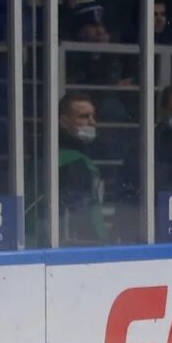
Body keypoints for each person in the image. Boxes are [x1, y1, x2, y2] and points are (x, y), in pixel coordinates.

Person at [57, 92, 107, 244]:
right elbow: (82, 214)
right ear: (64, 122)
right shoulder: (71, 162)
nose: (92, 122)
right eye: (84, 117)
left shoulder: (83, 155)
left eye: (93, 116)